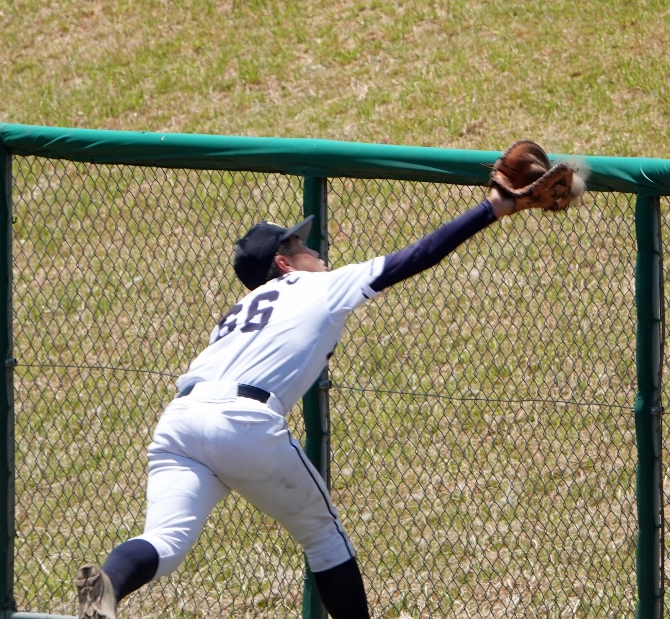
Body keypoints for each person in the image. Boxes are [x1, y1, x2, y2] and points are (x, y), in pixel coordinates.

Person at [76, 186, 520, 619]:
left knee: (166, 540)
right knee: (323, 537)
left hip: (180, 422)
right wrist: (492, 208)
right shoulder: (316, 286)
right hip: (243, 420)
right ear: (284, 263)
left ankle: (109, 584)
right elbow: (418, 255)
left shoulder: (236, 312)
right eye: (299, 244)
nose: (313, 248)